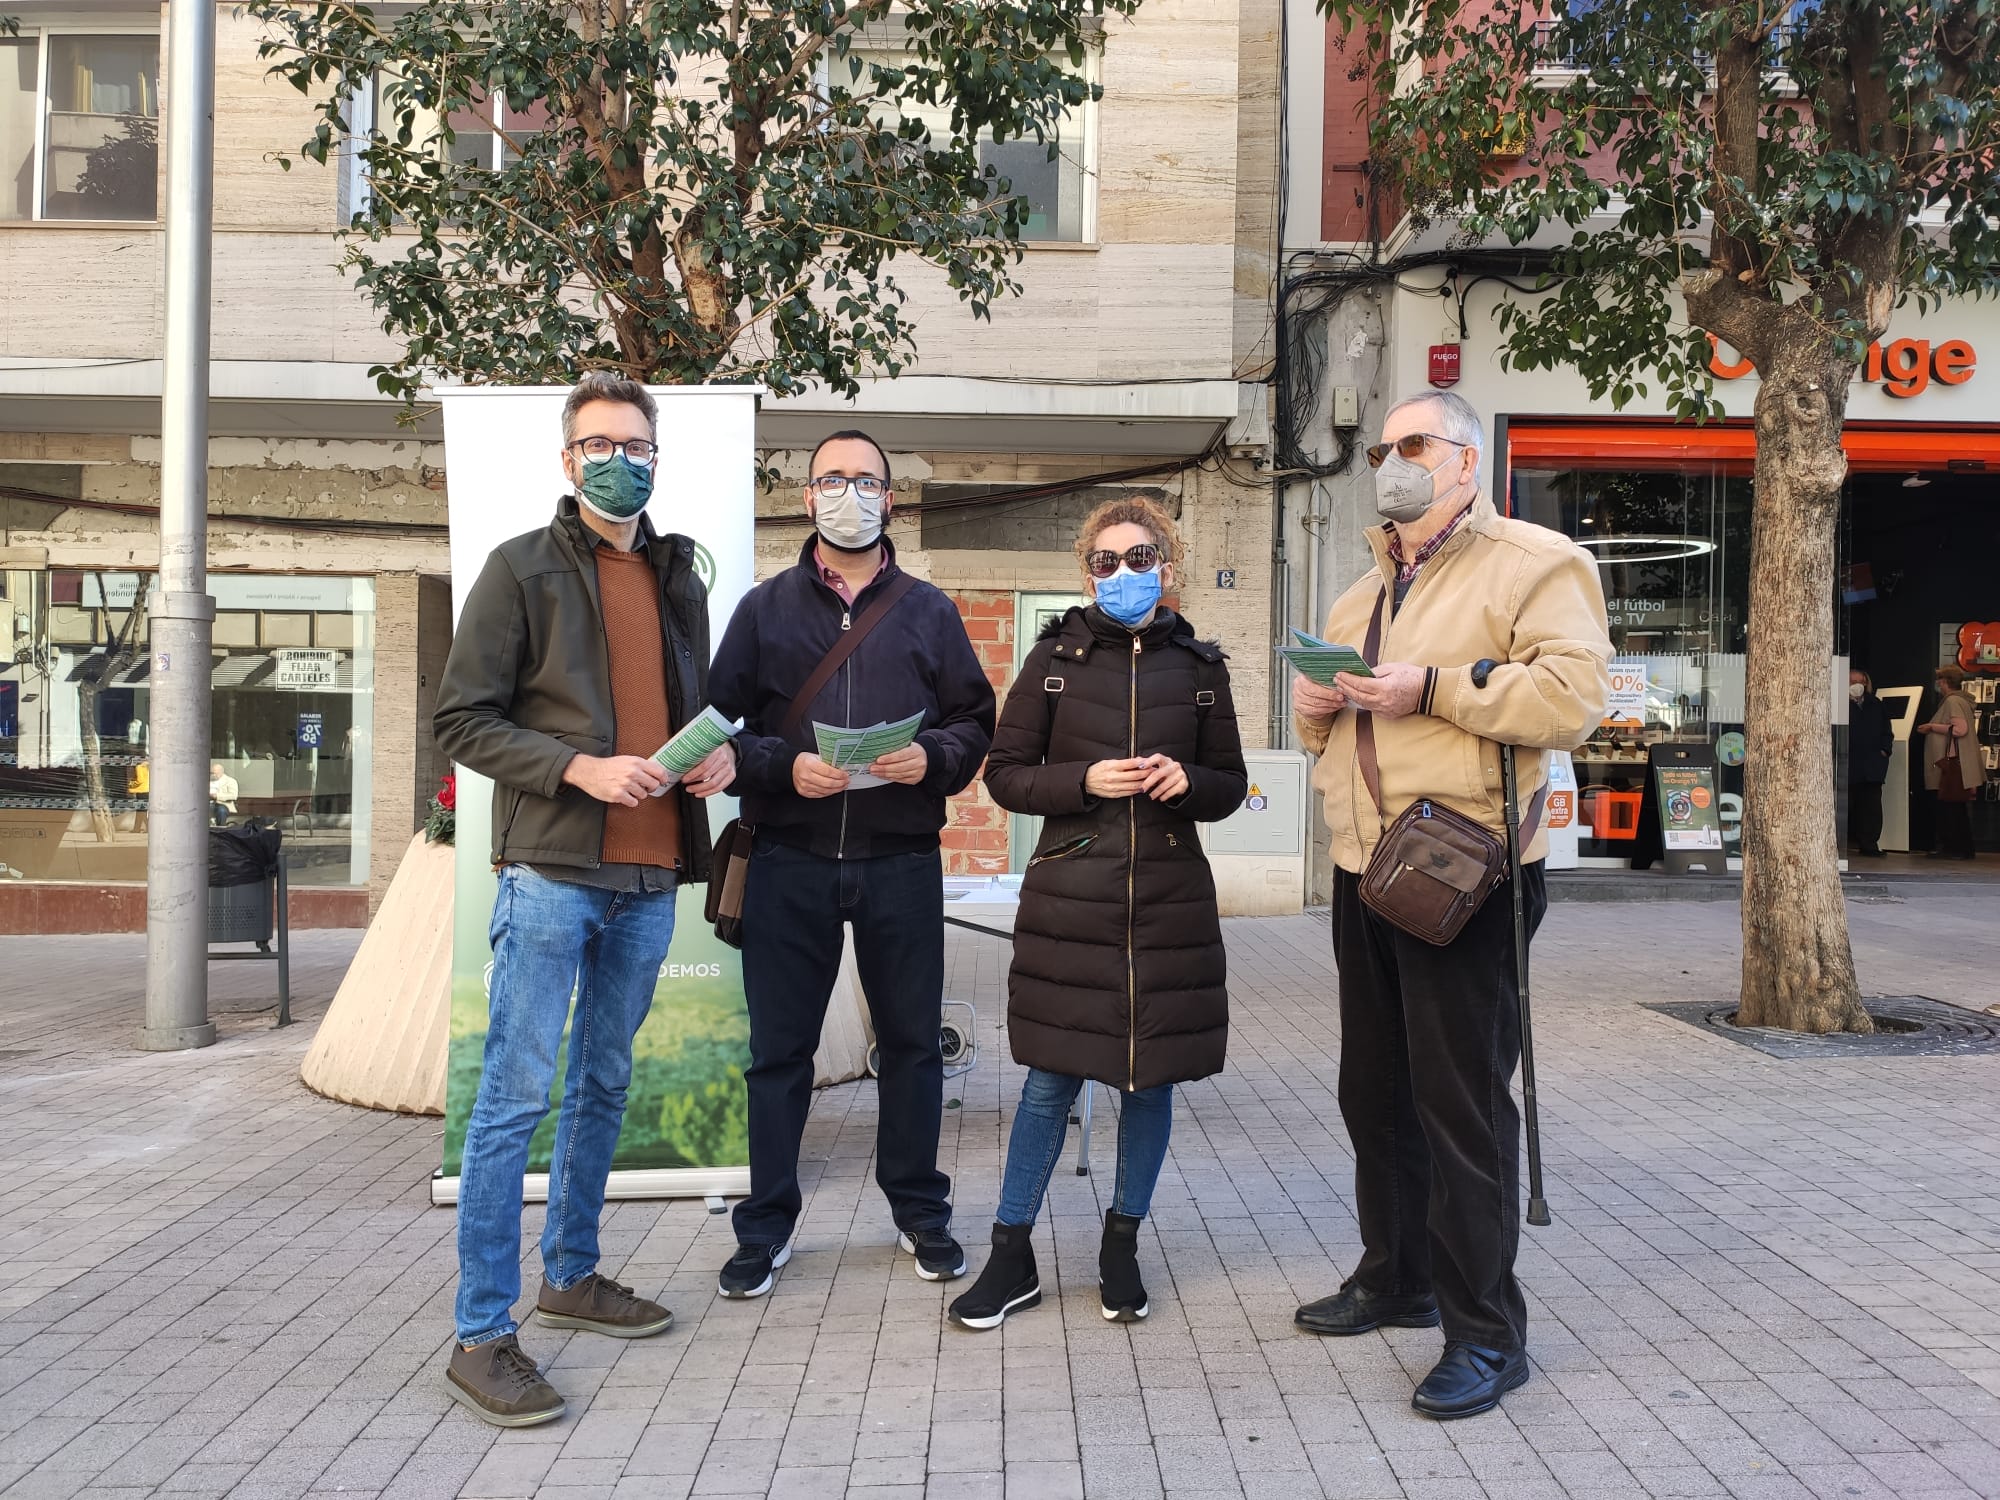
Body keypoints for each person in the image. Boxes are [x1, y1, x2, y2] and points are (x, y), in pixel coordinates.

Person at [1290, 390, 1611, 1420]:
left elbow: (1570, 700)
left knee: (1461, 1107)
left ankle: (1485, 1336)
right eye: (1383, 447)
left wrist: (1427, 686)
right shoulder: (1359, 592)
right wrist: (1314, 712)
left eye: (1412, 444)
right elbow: (1342, 737)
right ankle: (1396, 1279)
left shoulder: (1535, 561)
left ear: (1465, 463)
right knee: (1372, 1095)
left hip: (1464, 874)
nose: (1391, 461)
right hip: (1365, 871)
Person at [432, 372, 738, 1427]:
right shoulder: (519, 569)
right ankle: (480, 1334)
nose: (622, 457)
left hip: (652, 876)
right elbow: (461, 721)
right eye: (600, 441)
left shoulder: (677, 575)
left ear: (657, 456)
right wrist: (579, 769)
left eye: (638, 444)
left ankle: (570, 1273)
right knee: (514, 1101)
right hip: (553, 873)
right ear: (568, 459)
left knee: (604, 1086)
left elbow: (684, 709)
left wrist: (709, 767)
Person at [706, 429, 996, 1300]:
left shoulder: (930, 611)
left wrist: (934, 757)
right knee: (778, 1055)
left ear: (890, 500)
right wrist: (780, 766)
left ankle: (920, 1213)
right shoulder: (763, 609)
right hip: (789, 856)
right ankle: (765, 1227)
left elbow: (975, 720)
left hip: (900, 858)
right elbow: (719, 734)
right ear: (806, 497)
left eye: (866, 480)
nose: (850, 493)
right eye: (833, 478)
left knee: (911, 1047)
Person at [949, 497, 1246, 1331]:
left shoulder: (1200, 668)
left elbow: (1229, 784)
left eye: (1140, 557)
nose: (1123, 573)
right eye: (1107, 561)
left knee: (1150, 1082)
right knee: (1050, 1079)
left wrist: (1190, 784)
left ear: (1168, 566)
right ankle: (1011, 1257)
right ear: (1088, 573)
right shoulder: (1052, 659)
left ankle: (1122, 1246)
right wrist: (1083, 782)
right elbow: (1004, 775)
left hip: (1168, 902)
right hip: (1071, 900)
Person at [1917, 664, 1984, 860]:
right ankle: (1963, 848)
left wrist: (1931, 727)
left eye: (1940, 680)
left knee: (1950, 807)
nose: (1938, 684)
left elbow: (1959, 729)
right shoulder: (1960, 701)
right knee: (1956, 807)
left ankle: (1954, 848)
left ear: (1944, 682)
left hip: (1950, 765)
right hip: (1957, 763)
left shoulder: (1953, 701)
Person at [1846, 671, 1893, 857]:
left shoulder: (1876, 704)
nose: (1857, 685)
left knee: (1871, 807)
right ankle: (1839, 844)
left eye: (1861, 682)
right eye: (1853, 682)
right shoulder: (1838, 703)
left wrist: (1885, 750)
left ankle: (1869, 844)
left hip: (1872, 765)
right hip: (1848, 763)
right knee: (1846, 805)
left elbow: (1886, 731)